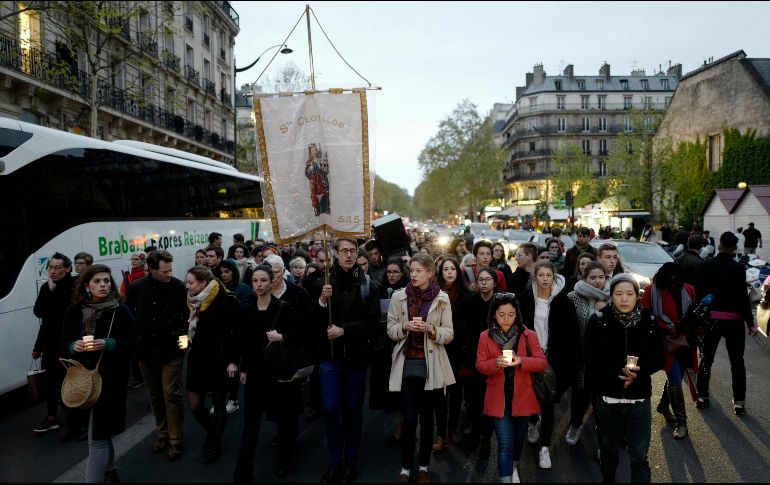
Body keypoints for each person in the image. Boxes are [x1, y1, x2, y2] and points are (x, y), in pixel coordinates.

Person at [585, 274, 664, 484]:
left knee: (639, 456)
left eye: (629, 293)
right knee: (608, 453)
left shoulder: (650, 322)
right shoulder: (599, 320)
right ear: (611, 296)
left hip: (639, 401)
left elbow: (659, 357)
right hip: (607, 400)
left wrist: (639, 372)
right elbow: (590, 357)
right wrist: (616, 374)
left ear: (637, 296)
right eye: (619, 294)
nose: (624, 298)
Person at [312, 238, 379, 483]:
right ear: (336, 254)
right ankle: (335, 461)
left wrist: (345, 330)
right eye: (344, 251)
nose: (349, 255)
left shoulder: (369, 285)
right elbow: (313, 321)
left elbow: (373, 324)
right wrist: (321, 301)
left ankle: (350, 460)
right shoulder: (324, 282)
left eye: (352, 251)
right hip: (329, 357)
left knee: (352, 411)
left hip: (356, 358)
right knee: (330, 409)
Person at [61, 264, 134, 483]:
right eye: (97, 281)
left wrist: (109, 343)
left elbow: (132, 344)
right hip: (81, 380)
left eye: (106, 281)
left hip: (111, 380)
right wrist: (75, 346)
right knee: (100, 432)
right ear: (86, 285)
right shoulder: (74, 311)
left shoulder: (120, 310)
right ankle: (111, 470)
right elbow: (64, 343)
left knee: (98, 437)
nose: (103, 285)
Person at [387, 253, 455, 484]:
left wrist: (431, 329)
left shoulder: (442, 299)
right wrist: (404, 327)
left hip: (431, 365)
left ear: (429, 273)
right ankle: (406, 468)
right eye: (411, 270)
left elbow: (449, 334)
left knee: (427, 420)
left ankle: (424, 467)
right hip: (406, 365)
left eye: (418, 270)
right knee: (409, 420)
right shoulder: (399, 297)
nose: (413, 274)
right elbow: (390, 329)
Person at [232, 265, 304, 481]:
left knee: (284, 420)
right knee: (251, 425)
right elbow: (243, 341)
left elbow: (300, 335)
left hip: (279, 372)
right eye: (255, 281)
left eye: (263, 280)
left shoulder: (284, 308)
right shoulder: (247, 309)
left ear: (272, 281)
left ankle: (285, 459)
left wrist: (282, 338)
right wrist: (243, 367)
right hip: (255, 373)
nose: (259, 285)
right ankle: (243, 473)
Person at [476, 293, 547, 484]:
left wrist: (521, 360)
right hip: (498, 400)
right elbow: (480, 365)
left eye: (510, 314)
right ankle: (506, 477)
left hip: (523, 398)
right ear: (494, 315)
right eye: (501, 314)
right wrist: (496, 363)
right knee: (504, 444)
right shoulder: (485, 336)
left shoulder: (528, 335)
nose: (506, 319)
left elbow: (541, 362)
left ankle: (513, 464)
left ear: (517, 315)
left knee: (518, 442)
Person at [125, 250, 188, 460]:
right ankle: (162, 434)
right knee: (154, 395)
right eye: (164, 271)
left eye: (170, 269)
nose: (169, 274)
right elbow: (129, 316)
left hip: (172, 350)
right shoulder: (136, 289)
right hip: (145, 350)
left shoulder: (178, 287)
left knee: (171, 393)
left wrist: (183, 344)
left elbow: (187, 319)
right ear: (150, 270)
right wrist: (135, 343)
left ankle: (176, 439)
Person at [518, 260, 578, 469]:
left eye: (548, 275)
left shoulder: (563, 300)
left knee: (548, 401)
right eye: (541, 275)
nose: (544, 279)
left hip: (554, 358)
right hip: (530, 356)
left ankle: (545, 447)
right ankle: (533, 422)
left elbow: (571, 333)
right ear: (535, 276)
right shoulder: (526, 297)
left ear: (554, 277)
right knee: (531, 396)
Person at [695, 231, 759, 415]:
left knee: (707, 358)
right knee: (737, 362)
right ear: (734, 248)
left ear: (720, 245)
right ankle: (739, 402)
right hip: (734, 322)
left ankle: (702, 396)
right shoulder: (739, 268)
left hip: (711, 320)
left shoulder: (706, 265)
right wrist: (751, 323)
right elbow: (742, 299)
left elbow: (699, 293)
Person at [182, 266, 240, 464]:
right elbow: (185, 329)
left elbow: (234, 333)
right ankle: (212, 431)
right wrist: (184, 343)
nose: (187, 286)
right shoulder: (191, 302)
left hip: (218, 358)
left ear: (203, 284)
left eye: (190, 282)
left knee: (218, 403)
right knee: (195, 405)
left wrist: (233, 360)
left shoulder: (225, 299)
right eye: (186, 282)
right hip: (197, 358)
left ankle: (214, 443)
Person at [640, 262, 697, 440]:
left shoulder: (688, 289)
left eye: (676, 280)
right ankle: (682, 423)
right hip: (663, 342)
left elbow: (693, 312)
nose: (674, 284)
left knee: (677, 376)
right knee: (674, 378)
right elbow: (643, 315)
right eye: (670, 281)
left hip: (685, 341)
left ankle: (664, 406)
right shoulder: (652, 290)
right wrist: (665, 326)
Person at [32, 253, 79, 436]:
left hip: (69, 345)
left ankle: (74, 420)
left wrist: (53, 292)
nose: (52, 271)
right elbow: (40, 313)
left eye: (56, 267)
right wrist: (38, 347)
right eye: (50, 267)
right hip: (51, 345)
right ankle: (51, 417)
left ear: (67, 269)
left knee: (70, 382)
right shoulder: (47, 287)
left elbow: (63, 311)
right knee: (51, 383)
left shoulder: (74, 286)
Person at [456, 267, 499, 459]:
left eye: (487, 279)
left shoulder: (501, 304)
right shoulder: (470, 302)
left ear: (494, 283)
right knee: (473, 403)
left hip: (494, 362)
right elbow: (456, 320)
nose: (483, 283)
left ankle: (486, 441)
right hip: (473, 360)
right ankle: (475, 431)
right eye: (480, 279)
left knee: (489, 404)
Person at [565, 261, 609, 445]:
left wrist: (606, 311)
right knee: (579, 397)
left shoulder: (611, 298)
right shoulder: (573, 297)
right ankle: (575, 426)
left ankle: (602, 440)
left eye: (601, 277)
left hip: (602, 359)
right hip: (581, 359)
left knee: (601, 402)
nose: (597, 281)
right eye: (593, 277)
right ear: (584, 277)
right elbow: (568, 328)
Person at [433, 256, 473, 450]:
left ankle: (453, 427)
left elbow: (470, 324)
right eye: (445, 269)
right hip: (438, 346)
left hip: (458, 349)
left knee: (456, 391)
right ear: (440, 272)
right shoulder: (433, 293)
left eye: (452, 269)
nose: (449, 272)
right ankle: (440, 433)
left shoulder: (466, 295)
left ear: (458, 272)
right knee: (439, 392)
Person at [370, 257, 409, 442]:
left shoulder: (409, 291)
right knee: (391, 392)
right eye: (389, 272)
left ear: (402, 273)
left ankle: (407, 427)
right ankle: (398, 428)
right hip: (385, 347)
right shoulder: (380, 290)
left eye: (396, 272)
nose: (392, 275)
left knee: (404, 390)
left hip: (403, 345)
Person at [219, 258, 256, 415]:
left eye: (227, 272)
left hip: (239, 334)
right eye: (221, 272)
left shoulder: (243, 289)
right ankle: (223, 400)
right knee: (223, 370)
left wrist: (233, 301)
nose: (224, 275)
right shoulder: (218, 288)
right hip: (223, 335)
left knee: (235, 368)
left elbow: (246, 312)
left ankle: (233, 399)